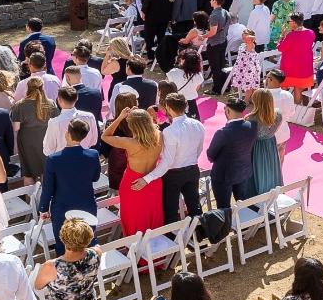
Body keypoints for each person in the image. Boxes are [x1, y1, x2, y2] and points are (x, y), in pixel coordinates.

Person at [140, 91, 206, 224]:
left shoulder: (169, 131)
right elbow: (199, 150)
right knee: (195, 207)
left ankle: (173, 239)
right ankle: (200, 235)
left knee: (170, 210)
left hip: (173, 175)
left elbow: (167, 162)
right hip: (193, 170)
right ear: (185, 105)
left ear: (169, 108)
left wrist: (146, 179)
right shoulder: (198, 124)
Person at [40, 122, 101, 254]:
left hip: (62, 208)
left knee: (64, 244)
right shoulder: (93, 154)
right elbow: (95, 178)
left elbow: (48, 187)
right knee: (86, 241)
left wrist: (43, 208)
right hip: (87, 205)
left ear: (67, 134)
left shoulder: (53, 159)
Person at [104, 108, 165, 237]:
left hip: (132, 184)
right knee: (152, 216)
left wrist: (120, 117)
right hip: (153, 182)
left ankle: (135, 249)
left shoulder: (130, 143)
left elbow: (105, 136)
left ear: (133, 126)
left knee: (133, 218)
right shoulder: (160, 136)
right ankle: (153, 250)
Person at [204, 96, 258, 208]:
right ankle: (244, 225)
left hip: (223, 176)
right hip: (243, 172)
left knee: (224, 208)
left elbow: (211, 155)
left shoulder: (223, 133)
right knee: (243, 205)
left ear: (228, 110)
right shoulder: (252, 126)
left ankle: (227, 226)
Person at [13, 76, 60, 181]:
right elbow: (56, 122)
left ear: (28, 88)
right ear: (42, 87)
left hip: (27, 142)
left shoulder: (19, 105)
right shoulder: (51, 103)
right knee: (45, 171)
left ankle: (31, 198)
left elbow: (16, 128)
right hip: (46, 140)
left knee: (28, 174)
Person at [45, 84, 100, 156]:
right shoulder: (89, 116)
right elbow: (93, 141)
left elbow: (48, 150)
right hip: (84, 157)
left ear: (59, 100)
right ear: (77, 98)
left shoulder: (54, 122)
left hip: (63, 161)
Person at [248, 88, 284, 197]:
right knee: (271, 170)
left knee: (258, 171)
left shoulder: (251, 118)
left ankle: (259, 196)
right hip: (270, 145)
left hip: (256, 147)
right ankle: (273, 195)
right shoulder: (277, 114)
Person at [277, 13, 317, 103]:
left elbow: (280, 48)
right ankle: (296, 111)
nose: (288, 23)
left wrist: (282, 36)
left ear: (294, 23)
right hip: (304, 66)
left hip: (290, 67)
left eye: (289, 21)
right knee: (298, 89)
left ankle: (284, 110)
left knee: (283, 89)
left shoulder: (291, 35)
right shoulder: (311, 32)